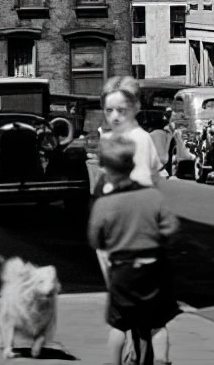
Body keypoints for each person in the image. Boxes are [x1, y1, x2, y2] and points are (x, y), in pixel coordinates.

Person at [87, 134, 180, 365]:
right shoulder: (152, 197)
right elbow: (172, 229)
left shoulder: (104, 204)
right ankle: (161, 360)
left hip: (124, 272)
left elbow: (95, 238)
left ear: (107, 171)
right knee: (158, 323)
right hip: (153, 270)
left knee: (120, 325)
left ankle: (115, 362)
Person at [96, 76, 165, 194]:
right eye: (109, 109)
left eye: (121, 110)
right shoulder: (105, 136)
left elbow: (145, 178)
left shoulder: (140, 138)